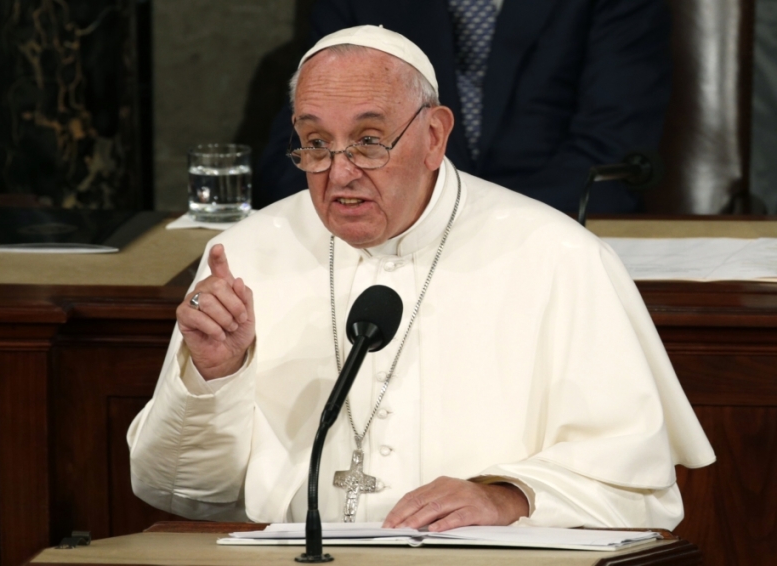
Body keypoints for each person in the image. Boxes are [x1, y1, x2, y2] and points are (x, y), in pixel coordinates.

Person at [129, 26, 714, 530]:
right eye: (315, 144)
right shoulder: (246, 255)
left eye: (368, 141)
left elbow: (641, 492)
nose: (339, 174)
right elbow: (178, 493)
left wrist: (505, 496)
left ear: (434, 136)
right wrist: (213, 377)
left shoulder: (557, 256)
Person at [254, 0, 672, 214]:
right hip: (392, 236)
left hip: (549, 228)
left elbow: (611, 155)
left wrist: (458, 222)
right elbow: (294, 155)